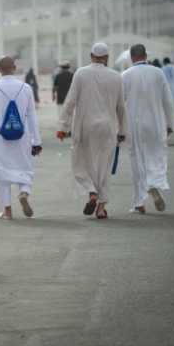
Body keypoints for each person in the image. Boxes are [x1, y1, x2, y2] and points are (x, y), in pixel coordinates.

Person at [56, 42, 127, 219]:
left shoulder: (81, 73)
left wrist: (63, 127)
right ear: (107, 58)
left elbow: (71, 101)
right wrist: (122, 130)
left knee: (81, 162)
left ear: (91, 55)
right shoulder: (116, 76)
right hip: (107, 127)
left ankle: (90, 191)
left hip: (84, 126)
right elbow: (121, 107)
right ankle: (101, 208)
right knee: (104, 165)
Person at [0, 56, 43, 219]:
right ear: (14, 68)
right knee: (24, 167)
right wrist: (37, 141)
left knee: (0, 170)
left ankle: (8, 211)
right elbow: (32, 116)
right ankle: (24, 193)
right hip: (22, 136)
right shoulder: (26, 88)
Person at [121, 44, 174, 214]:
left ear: (131, 57)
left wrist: (119, 129)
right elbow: (167, 101)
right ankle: (153, 183)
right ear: (146, 56)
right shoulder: (158, 72)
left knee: (136, 161)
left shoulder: (125, 75)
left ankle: (139, 204)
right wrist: (170, 124)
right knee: (156, 156)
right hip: (155, 123)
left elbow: (120, 104)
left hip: (133, 125)